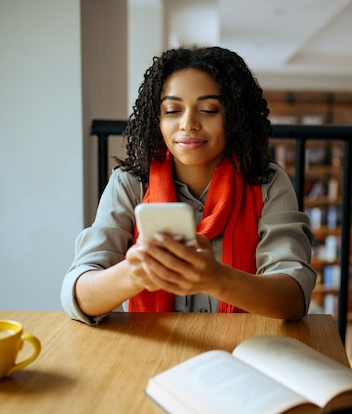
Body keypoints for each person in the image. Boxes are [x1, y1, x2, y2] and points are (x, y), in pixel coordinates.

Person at [61, 46, 316, 325]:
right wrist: (134, 273)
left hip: (245, 352)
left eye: (208, 109)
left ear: (233, 120)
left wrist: (217, 279)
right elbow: (78, 295)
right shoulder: (130, 183)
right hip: (154, 354)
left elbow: (294, 296)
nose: (188, 124)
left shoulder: (268, 183)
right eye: (172, 110)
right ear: (157, 119)